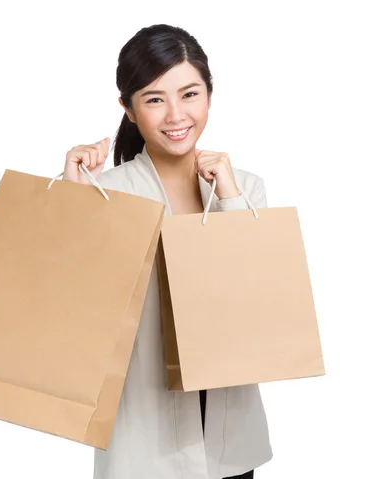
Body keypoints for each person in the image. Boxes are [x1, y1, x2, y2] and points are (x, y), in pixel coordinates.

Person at [62, 24, 272, 479]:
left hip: (229, 437)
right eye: (155, 99)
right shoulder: (106, 191)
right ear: (129, 110)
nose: (176, 114)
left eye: (190, 93)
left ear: (210, 96)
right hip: (144, 441)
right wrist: (72, 203)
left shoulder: (246, 188)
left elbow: (260, 304)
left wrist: (231, 198)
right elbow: (69, 312)